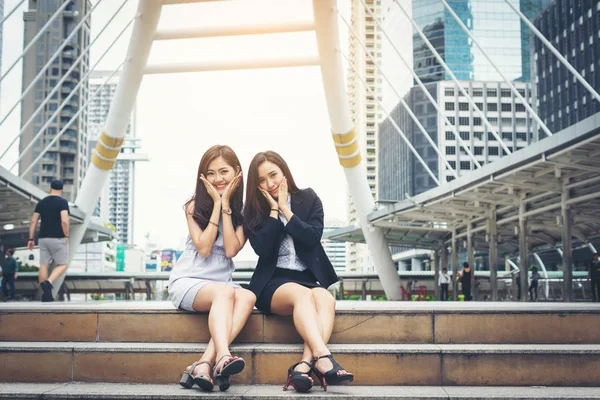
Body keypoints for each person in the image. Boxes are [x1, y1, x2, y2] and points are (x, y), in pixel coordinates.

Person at [243, 151, 353, 392]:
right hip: (273, 281)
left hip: (307, 278)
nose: (269, 183)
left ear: (284, 172)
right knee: (303, 296)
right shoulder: (253, 210)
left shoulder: (308, 198)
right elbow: (262, 249)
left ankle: (303, 366)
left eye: (273, 175)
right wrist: (274, 212)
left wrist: (286, 209)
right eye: (261, 180)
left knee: (325, 298)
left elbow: (312, 238)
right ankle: (323, 357)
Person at [168, 145, 256, 392]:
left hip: (220, 286)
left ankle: (205, 362)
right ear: (203, 177)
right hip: (188, 280)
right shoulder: (193, 206)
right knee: (226, 293)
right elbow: (205, 247)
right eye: (211, 173)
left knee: (248, 296)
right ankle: (223, 356)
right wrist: (216, 204)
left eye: (224, 172)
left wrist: (226, 204)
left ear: (237, 172)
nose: (218, 179)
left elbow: (230, 249)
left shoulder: (245, 211)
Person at [27, 179, 70, 302]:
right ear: (62, 189)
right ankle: (49, 282)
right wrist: (66, 235)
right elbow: (65, 221)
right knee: (62, 264)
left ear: (50, 188)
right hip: (58, 238)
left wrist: (31, 238)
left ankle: (47, 295)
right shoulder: (62, 202)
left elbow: (33, 221)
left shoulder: (41, 203)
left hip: (43, 238)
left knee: (43, 265)